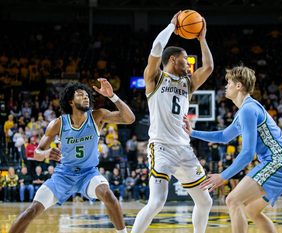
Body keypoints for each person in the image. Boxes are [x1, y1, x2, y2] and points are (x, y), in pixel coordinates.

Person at [183, 65, 282, 233]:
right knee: (252, 210)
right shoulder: (245, 110)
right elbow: (224, 136)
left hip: (279, 161)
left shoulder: (248, 110)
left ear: (239, 86)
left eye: (229, 83)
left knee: (232, 200)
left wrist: (223, 176)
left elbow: (247, 153)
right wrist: (193, 132)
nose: (225, 86)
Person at [9, 79, 135, 233]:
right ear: (70, 102)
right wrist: (47, 153)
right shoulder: (58, 124)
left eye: (87, 95)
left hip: (88, 173)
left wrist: (113, 97)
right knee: (33, 210)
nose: (86, 97)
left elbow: (130, 119)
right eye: (80, 95)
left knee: (108, 195)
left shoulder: (97, 116)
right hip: (63, 175)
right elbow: (37, 154)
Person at [131, 11, 214, 233]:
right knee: (157, 202)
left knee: (206, 201)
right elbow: (156, 49)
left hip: (183, 148)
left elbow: (209, 68)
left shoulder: (188, 83)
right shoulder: (155, 78)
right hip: (161, 147)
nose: (188, 64)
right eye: (185, 60)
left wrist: (202, 39)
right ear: (172, 60)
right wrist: (171, 25)